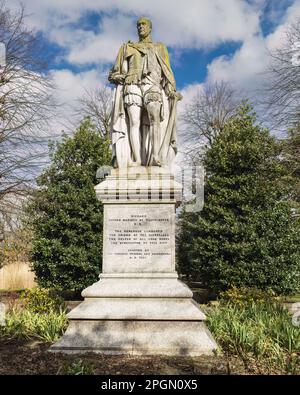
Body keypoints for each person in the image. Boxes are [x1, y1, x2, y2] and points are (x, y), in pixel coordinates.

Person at [108, 17, 182, 168]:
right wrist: (121, 76)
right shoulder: (127, 48)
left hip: (152, 84)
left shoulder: (159, 47)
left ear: (150, 28)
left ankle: (155, 157)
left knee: (155, 119)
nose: (140, 27)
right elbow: (113, 73)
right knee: (133, 123)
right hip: (132, 84)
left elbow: (166, 72)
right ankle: (136, 159)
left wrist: (171, 91)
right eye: (138, 25)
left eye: (143, 24)